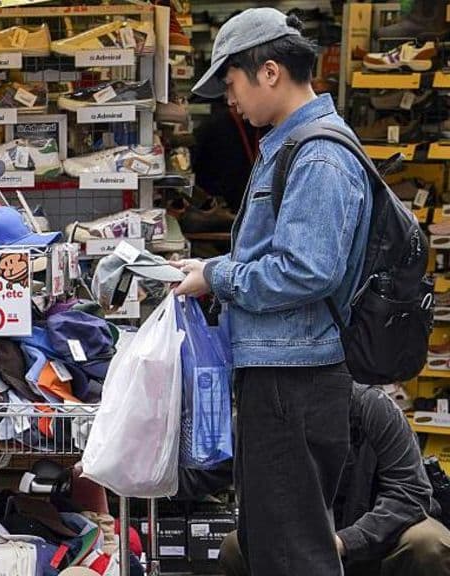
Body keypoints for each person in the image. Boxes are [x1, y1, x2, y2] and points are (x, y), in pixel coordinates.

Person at [174, 8, 373, 576]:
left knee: (292, 554)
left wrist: (217, 276)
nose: (229, 100)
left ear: (269, 72)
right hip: (284, 373)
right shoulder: (293, 147)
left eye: (231, 83)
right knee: (272, 544)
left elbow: (306, 271)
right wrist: (214, 268)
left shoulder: (319, 155)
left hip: (294, 380)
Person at [218, 385, 450, 576]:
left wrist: (346, 541)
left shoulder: (374, 407)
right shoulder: (270, 412)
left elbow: (410, 491)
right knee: (235, 547)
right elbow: (222, 468)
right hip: (303, 540)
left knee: (429, 543)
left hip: (382, 538)